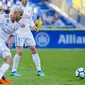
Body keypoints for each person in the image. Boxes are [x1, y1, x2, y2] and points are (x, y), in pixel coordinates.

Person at [10, 0, 45, 77]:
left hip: (28, 32)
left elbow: (30, 20)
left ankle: (39, 70)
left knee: (33, 49)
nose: (25, 0)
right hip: (19, 32)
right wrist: (19, 23)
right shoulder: (16, 6)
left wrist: (34, 26)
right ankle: (13, 71)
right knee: (20, 52)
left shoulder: (30, 7)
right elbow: (11, 18)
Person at [0, 6, 23, 84]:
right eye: (20, 15)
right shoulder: (3, 17)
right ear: (15, 13)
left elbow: (10, 37)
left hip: (3, 43)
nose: (21, 17)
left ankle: (1, 77)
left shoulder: (16, 25)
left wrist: (9, 45)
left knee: (9, 59)